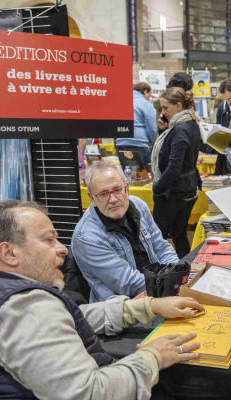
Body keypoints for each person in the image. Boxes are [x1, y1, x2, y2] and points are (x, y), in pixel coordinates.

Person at [0, 199, 205, 399]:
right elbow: (90, 393)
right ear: (9, 253)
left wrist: (149, 305)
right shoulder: (25, 306)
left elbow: (70, 317)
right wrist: (153, 356)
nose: (63, 249)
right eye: (48, 240)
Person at [72, 160, 179, 303]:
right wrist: (170, 283)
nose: (113, 199)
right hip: (127, 309)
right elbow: (128, 283)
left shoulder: (139, 205)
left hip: (159, 289)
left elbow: (161, 247)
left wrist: (177, 274)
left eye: (117, 190)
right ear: (92, 198)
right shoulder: (87, 237)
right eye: (104, 194)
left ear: (126, 189)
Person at [151, 87, 202, 259]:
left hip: (174, 192)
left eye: (166, 108)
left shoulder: (181, 129)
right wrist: (164, 129)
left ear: (178, 106)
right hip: (187, 189)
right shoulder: (190, 123)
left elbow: (174, 167)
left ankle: (158, 278)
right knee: (179, 234)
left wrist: (157, 188)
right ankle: (185, 273)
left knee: (158, 239)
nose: (163, 112)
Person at [117, 82, 157, 172]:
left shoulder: (122, 101)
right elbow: (152, 129)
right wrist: (155, 145)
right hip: (139, 144)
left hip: (121, 144)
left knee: (128, 175)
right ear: (146, 92)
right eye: (149, 95)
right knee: (145, 176)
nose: (149, 98)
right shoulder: (145, 103)